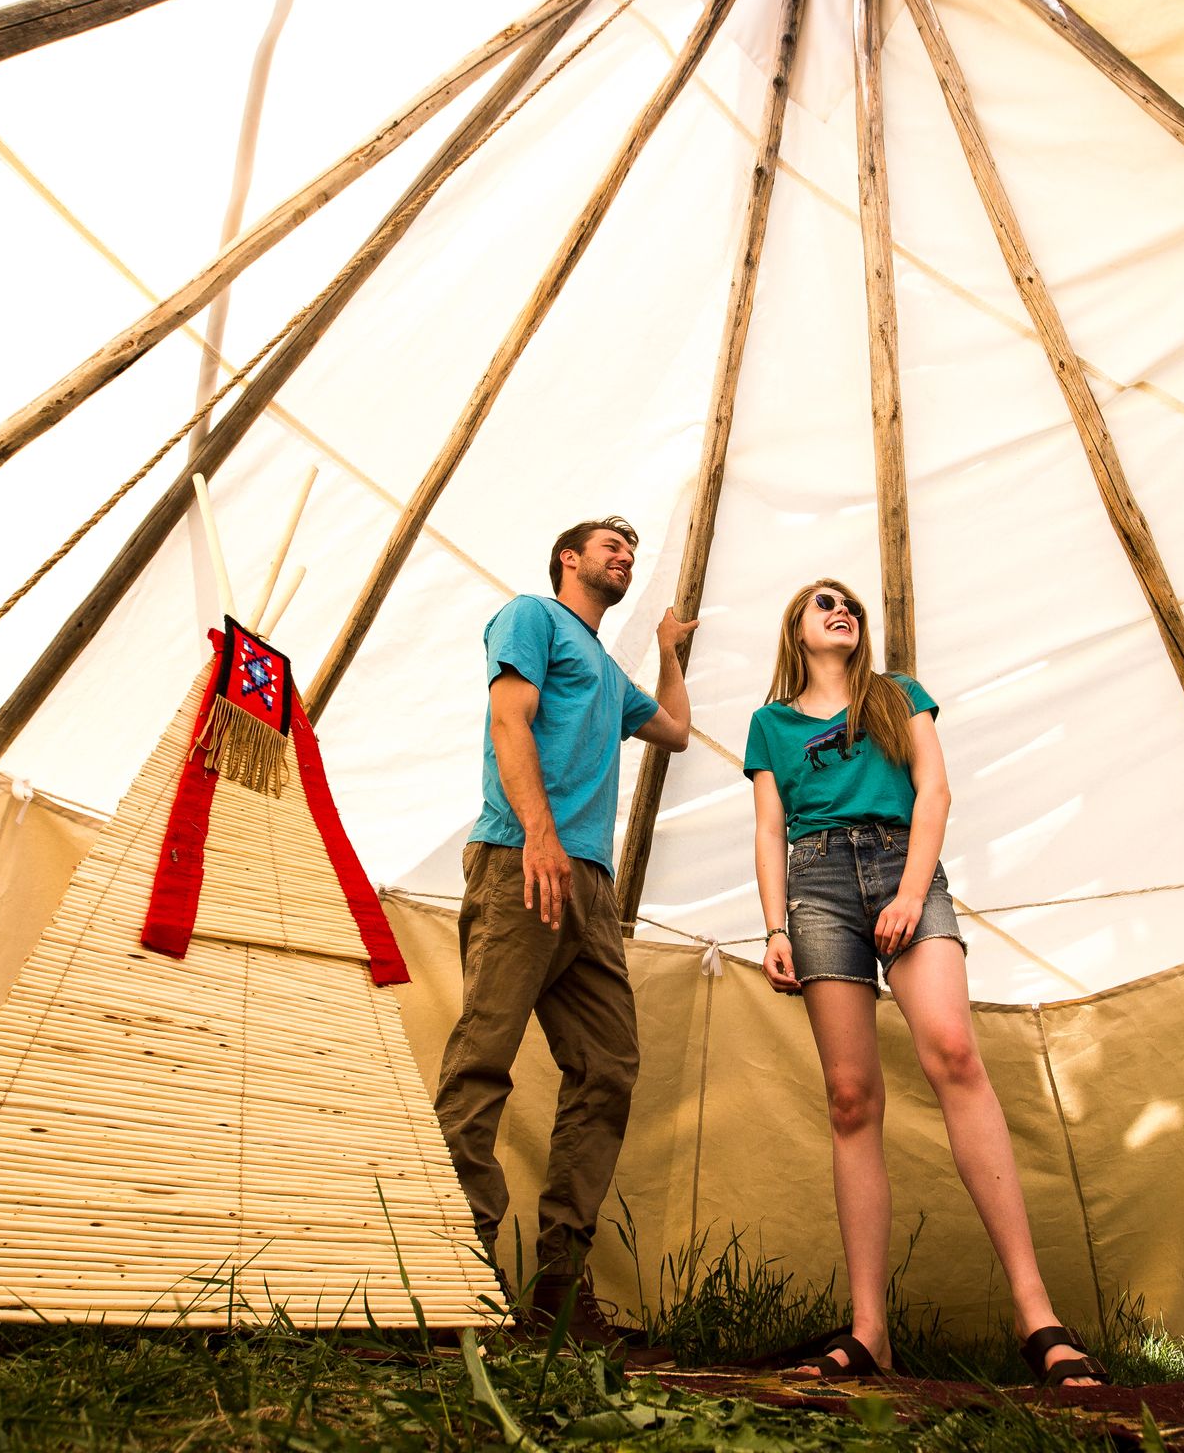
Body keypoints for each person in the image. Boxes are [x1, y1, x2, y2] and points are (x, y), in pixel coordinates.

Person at [745, 580, 1105, 1389]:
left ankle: (1037, 1316)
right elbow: (769, 829)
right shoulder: (769, 724)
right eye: (825, 603)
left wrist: (911, 893)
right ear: (796, 629)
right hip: (814, 884)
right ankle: (871, 1333)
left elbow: (935, 791)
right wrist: (774, 926)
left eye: (852, 607)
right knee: (849, 1097)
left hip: (899, 861)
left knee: (953, 1053)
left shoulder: (897, 695)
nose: (844, 612)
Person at [433, 516, 695, 1347]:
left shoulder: (613, 676)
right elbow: (510, 722)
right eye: (608, 546)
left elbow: (677, 734)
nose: (624, 555)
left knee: (609, 1069)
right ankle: (455, 1277)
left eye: (632, 551)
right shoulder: (530, 619)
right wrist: (539, 834)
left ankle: (558, 1290)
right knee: (484, 1055)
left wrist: (669, 652)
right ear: (567, 560)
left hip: (591, 888)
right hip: (522, 857)